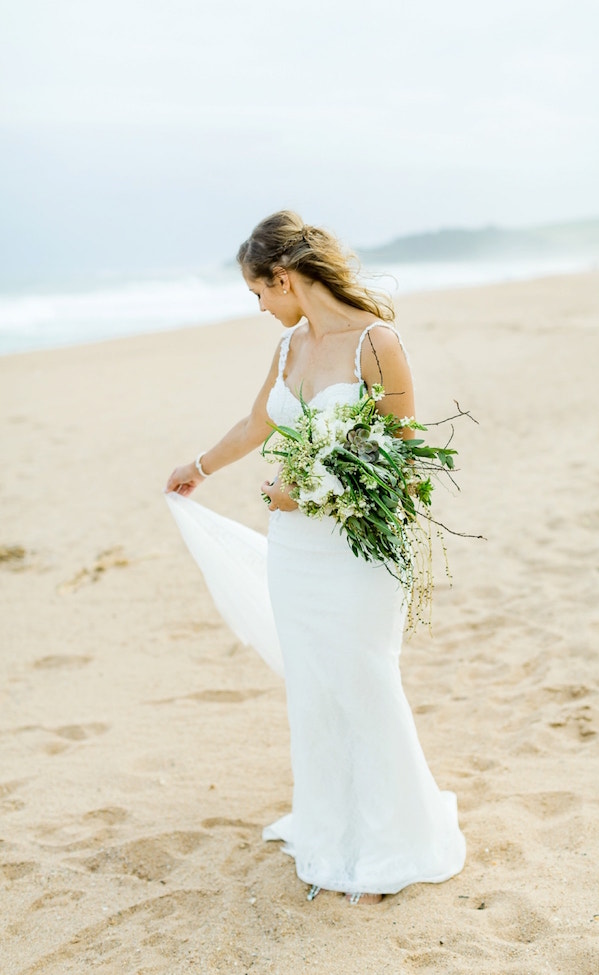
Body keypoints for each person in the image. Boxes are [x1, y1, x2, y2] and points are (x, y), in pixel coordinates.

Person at [165, 211, 466, 905]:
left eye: (259, 293)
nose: (261, 307)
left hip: (357, 551)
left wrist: (315, 490)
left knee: (364, 678)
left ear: (286, 277)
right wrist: (198, 467)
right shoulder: (289, 349)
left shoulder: (377, 342)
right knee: (315, 685)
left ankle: (397, 838)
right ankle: (333, 831)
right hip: (294, 556)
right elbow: (255, 424)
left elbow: (406, 460)